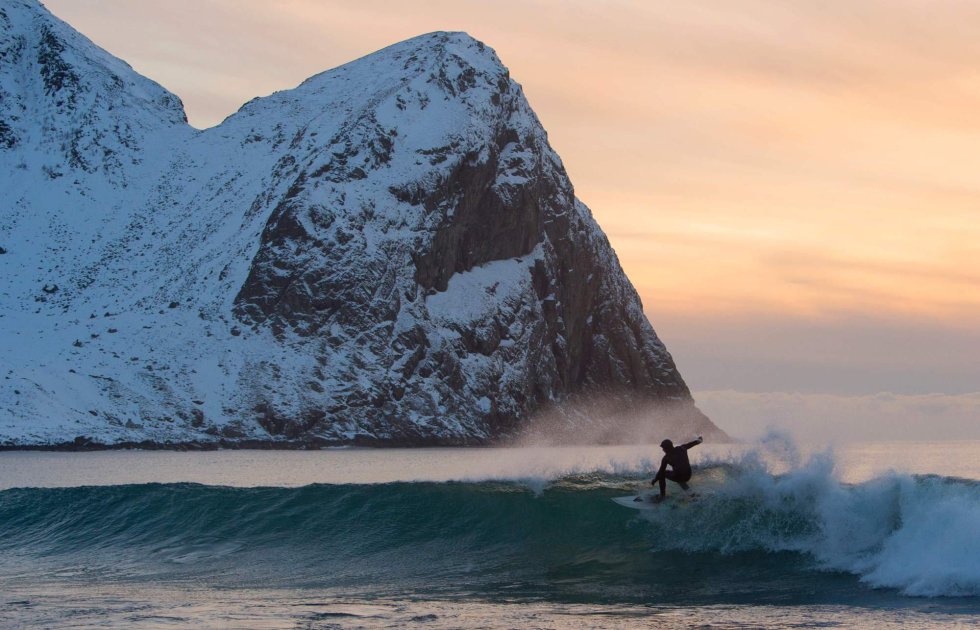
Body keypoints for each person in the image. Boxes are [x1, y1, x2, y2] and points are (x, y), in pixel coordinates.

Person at [650, 436, 703, 502]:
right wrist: (699, 440)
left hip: (679, 476)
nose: (663, 450)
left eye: (663, 448)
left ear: (667, 448)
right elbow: (692, 443)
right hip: (688, 474)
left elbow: (661, 472)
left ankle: (662, 496)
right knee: (679, 473)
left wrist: (654, 480)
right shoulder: (682, 448)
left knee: (664, 474)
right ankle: (691, 494)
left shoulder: (666, 458)